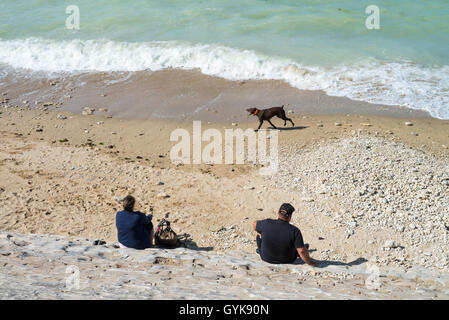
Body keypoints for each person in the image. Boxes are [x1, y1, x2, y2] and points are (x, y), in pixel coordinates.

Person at [253, 203, 318, 266]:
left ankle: (260, 250)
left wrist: (262, 233)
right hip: (288, 260)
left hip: (266, 258)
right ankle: (301, 248)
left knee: (259, 236)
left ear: (278, 213)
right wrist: (310, 263)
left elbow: (255, 224)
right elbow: (302, 251)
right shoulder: (294, 230)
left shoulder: (267, 223)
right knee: (299, 246)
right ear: (290, 216)